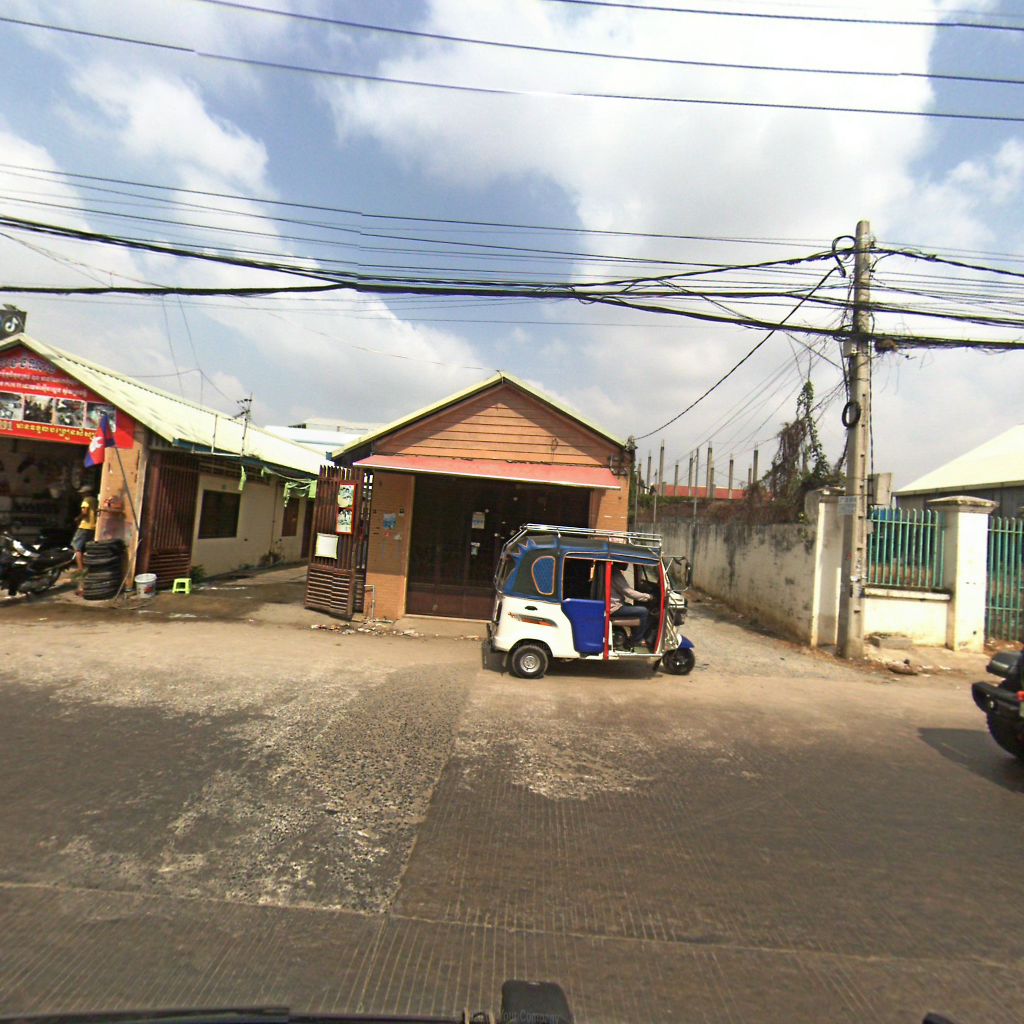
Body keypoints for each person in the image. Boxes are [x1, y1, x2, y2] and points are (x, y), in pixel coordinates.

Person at [610, 561, 654, 648]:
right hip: (613, 608)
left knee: (631, 606)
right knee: (644, 611)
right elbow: (628, 592)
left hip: (613, 605)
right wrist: (649, 597)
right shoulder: (615, 574)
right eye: (625, 562)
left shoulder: (614, 571)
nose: (626, 564)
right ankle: (635, 641)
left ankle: (633, 636)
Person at [71, 487, 97, 591]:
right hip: (93, 527)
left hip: (85, 526)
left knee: (76, 547)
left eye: (82, 493)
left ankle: (80, 568)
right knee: (87, 548)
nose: (81, 495)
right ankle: (86, 566)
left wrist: (77, 518)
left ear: (86, 493)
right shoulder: (95, 500)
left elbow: (85, 512)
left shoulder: (86, 500)